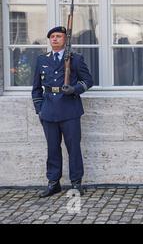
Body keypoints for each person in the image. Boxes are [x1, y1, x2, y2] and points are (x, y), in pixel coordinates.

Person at [31, 26, 93, 198]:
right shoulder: (41, 60)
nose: (55, 39)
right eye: (52, 37)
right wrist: (40, 110)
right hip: (49, 111)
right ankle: (53, 183)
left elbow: (88, 81)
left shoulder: (76, 59)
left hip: (70, 110)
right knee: (52, 148)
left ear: (65, 39)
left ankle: (76, 183)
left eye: (58, 36)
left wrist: (74, 89)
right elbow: (36, 88)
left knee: (73, 148)